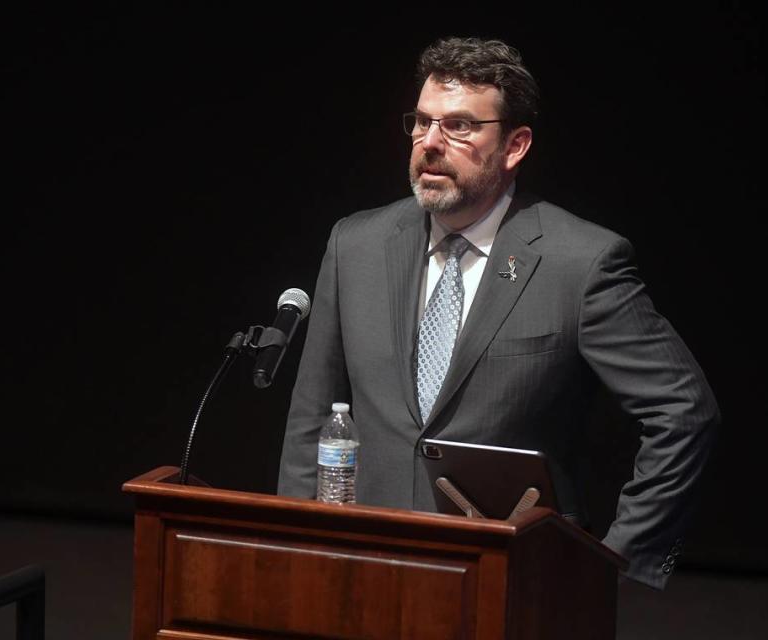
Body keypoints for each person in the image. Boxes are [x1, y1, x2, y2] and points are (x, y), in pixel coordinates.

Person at [278, 36, 719, 590]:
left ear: (515, 145)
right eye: (421, 122)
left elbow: (684, 411)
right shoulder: (355, 245)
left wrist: (617, 563)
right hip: (361, 567)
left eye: (459, 126)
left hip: (513, 582)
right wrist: (292, 549)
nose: (430, 144)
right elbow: (312, 417)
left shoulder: (580, 262)